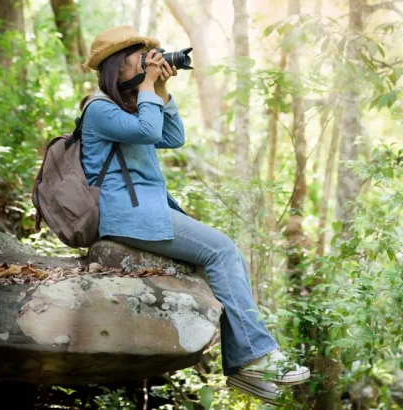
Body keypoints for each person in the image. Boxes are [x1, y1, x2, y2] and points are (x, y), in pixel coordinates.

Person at [80, 26, 310, 404]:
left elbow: (172, 137)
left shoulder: (130, 104)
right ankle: (256, 357)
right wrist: (148, 85)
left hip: (145, 211)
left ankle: (245, 367)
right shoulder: (99, 109)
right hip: (127, 215)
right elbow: (148, 129)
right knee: (221, 250)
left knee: (224, 255)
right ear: (117, 66)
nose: (149, 64)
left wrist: (160, 89)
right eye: (140, 59)